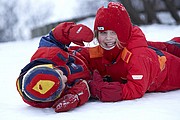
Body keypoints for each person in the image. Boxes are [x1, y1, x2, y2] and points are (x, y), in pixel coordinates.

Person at [87, 2, 180, 102]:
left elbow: (136, 89)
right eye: (103, 33)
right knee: (165, 47)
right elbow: (84, 55)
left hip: (170, 71)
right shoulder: (105, 49)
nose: (108, 38)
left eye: (113, 33)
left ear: (123, 32)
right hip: (154, 53)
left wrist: (101, 90)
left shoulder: (137, 56)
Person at [16, 22, 94, 112]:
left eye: (60, 74)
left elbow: (54, 37)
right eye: (63, 84)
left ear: (51, 67)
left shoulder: (48, 54)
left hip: (86, 54)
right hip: (98, 77)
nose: (65, 78)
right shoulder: (50, 95)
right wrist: (75, 96)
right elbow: (83, 87)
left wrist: (70, 31)